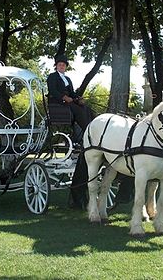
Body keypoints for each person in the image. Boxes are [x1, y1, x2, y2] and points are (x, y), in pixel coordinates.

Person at [47, 54, 93, 209]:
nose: (61, 67)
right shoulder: (52, 77)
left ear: (65, 66)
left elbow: (72, 93)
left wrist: (78, 98)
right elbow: (52, 91)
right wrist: (64, 97)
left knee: (85, 108)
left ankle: (91, 128)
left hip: (68, 102)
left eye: (63, 65)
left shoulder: (68, 79)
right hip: (58, 103)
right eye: (59, 65)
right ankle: (87, 129)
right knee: (77, 110)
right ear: (56, 66)